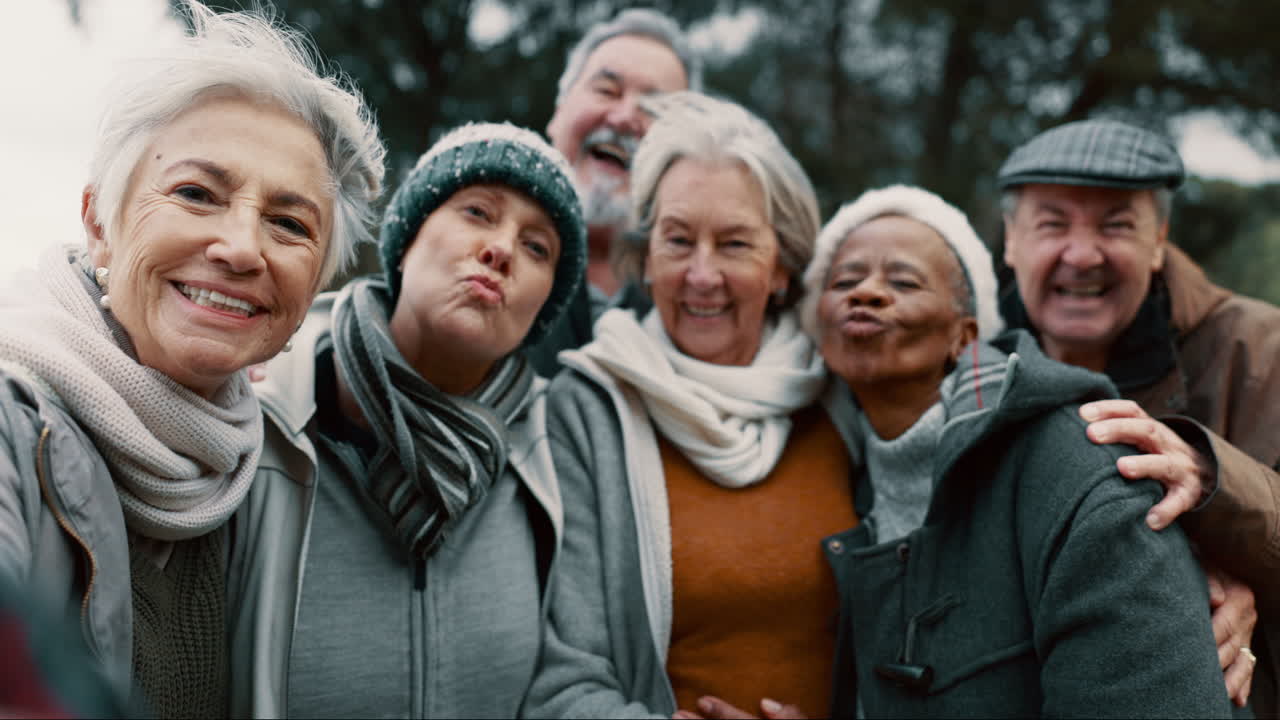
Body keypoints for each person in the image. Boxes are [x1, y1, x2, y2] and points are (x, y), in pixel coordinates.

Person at [0, 1, 384, 716]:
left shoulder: (276, 472)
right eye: (196, 194)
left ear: (314, 289)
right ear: (99, 222)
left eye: (289, 223)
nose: (241, 247)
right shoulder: (11, 429)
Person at [802, 184, 1232, 717]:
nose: (865, 293)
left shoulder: (1085, 473)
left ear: (965, 336)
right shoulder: (832, 473)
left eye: (904, 281)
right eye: (844, 281)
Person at [225, 122, 586, 718]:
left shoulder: (554, 449)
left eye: (537, 248)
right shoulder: (258, 416)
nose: (501, 250)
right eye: (477, 212)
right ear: (409, 235)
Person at [522, 90, 858, 719]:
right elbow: (559, 680)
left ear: (782, 266)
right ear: (646, 257)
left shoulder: (840, 396)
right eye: (678, 241)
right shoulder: (588, 410)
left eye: (734, 244)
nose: (702, 276)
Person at [997, 118, 1280, 713]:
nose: (1082, 254)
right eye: (1052, 224)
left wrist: (1216, 486)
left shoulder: (1263, 352)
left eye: (1116, 225)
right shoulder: (966, 365)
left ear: (1159, 241)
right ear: (1010, 242)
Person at [525, 7, 701, 376]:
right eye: (607, 90)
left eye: (654, 108)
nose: (623, 118)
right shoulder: (479, 246)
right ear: (559, 110)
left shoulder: (700, 293)